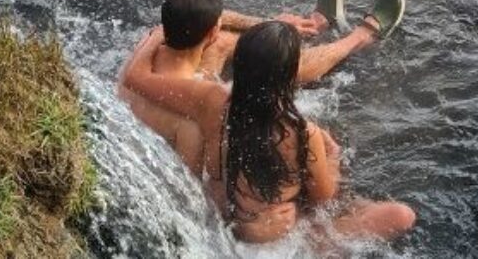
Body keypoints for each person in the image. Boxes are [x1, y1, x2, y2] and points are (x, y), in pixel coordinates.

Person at [121, 19, 416, 246]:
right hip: (281, 242)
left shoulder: (209, 100)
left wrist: (158, 32)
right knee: (401, 215)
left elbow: (136, 78)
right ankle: (322, 247)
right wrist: (334, 157)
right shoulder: (301, 134)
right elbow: (324, 199)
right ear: (290, 79)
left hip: (224, 222)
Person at [116, 0, 400, 174]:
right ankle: (360, 37)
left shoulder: (147, 49)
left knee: (227, 43)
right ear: (211, 31)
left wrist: (267, 23)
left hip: (169, 110)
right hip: (208, 161)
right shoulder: (206, 94)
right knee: (269, 62)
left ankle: (303, 28)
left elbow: (213, 19)